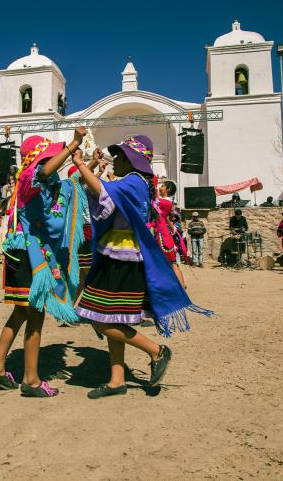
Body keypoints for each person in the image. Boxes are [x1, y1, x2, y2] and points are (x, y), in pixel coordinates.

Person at [72, 135, 212, 399]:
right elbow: (90, 186)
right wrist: (88, 165)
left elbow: (102, 192)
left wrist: (81, 165)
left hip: (121, 257)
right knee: (113, 317)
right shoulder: (134, 182)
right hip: (116, 254)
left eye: (120, 157)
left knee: (97, 318)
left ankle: (156, 351)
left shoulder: (135, 182)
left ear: (131, 160)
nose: (115, 161)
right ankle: (117, 380)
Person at [0, 128, 88, 398]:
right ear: (37, 160)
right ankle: (30, 380)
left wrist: (87, 162)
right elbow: (43, 173)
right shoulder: (30, 179)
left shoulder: (46, 186)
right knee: (34, 314)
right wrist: (73, 144)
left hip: (26, 255)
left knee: (21, 313)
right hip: (27, 256)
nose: (51, 164)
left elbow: (72, 183)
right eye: (48, 157)